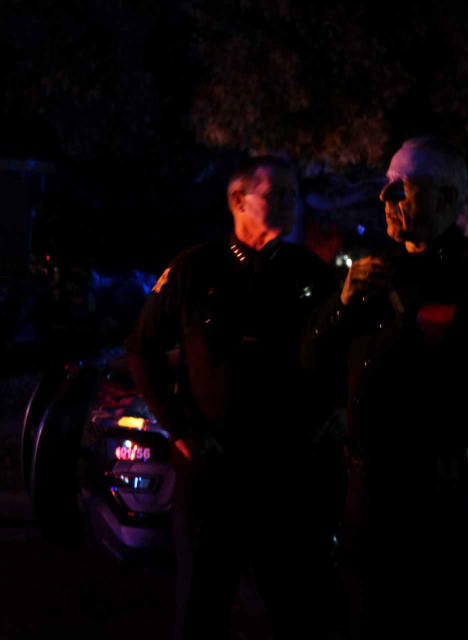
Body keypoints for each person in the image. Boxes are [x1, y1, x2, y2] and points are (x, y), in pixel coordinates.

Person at [302, 137, 468, 639]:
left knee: (435, 620)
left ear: (447, 198)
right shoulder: (370, 272)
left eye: (403, 188)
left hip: (438, 500)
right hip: (366, 493)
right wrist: (340, 305)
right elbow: (310, 360)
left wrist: (456, 322)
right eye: (386, 186)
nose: (386, 198)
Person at [126, 156, 342, 639]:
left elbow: (338, 359)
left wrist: (320, 424)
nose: (288, 203)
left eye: (292, 194)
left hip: (285, 475)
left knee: (298, 607)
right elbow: (143, 349)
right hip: (212, 474)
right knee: (201, 607)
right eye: (275, 194)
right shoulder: (194, 268)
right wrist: (181, 430)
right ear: (237, 201)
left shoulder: (310, 274)